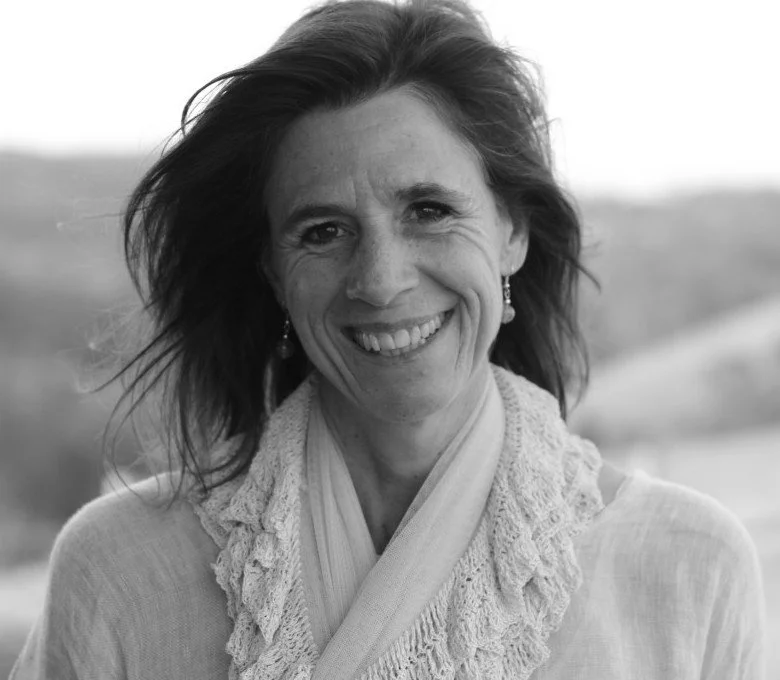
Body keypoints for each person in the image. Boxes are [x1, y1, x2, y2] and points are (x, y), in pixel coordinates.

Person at [12, 0, 766, 678]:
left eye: (429, 211)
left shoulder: (687, 567)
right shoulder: (120, 572)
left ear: (512, 232)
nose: (379, 280)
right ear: (273, 271)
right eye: (323, 231)